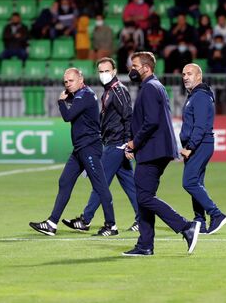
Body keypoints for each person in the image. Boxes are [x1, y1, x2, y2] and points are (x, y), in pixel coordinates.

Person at [122, 51, 201, 256]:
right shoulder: (155, 86)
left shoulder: (149, 88)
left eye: (135, 66)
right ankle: (145, 245)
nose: (131, 69)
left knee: (145, 197)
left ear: (146, 68)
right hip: (157, 149)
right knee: (144, 197)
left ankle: (186, 227)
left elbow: (151, 122)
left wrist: (134, 142)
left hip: (152, 150)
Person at [29, 68, 118, 237]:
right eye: (65, 82)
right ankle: (51, 223)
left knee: (100, 186)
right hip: (80, 148)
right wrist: (67, 97)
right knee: (64, 181)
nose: (68, 84)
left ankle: (111, 225)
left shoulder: (85, 95)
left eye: (71, 81)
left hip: (89, 147)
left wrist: (61, 101)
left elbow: (68, 116)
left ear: (80, 79)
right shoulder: (81, 94)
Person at [62, 58, 140, 233]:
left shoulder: (118, 90)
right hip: (113, 142)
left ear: (114, 71)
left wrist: (128, 143)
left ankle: (86, 219)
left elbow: (128, 116)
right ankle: (142, 219)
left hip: (117, 143)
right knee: (130, 184)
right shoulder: (109, 91)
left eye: (106, 70)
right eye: (100, 71)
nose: (103, 74)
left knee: (100, 182)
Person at [180, 63, 226, 234]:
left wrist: (190, 147)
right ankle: (199, 221)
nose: (185, 77)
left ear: (199, 76)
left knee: (189, 182)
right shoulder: (196, 95)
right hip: (199, 145)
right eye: (184, 74)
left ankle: (216, 214)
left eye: (190, 74)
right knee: (197, 183)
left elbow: (200, 126)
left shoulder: (199, 96)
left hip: (200, 145)